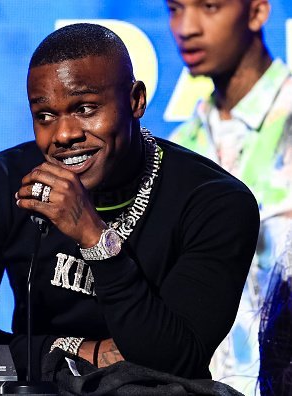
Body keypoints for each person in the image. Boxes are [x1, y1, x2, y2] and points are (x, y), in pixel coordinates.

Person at [0, 23, 259, 383]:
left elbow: (176, 362)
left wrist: (93, 236)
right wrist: (75, 351)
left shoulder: (216, 203)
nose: (63, 135)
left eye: (86, 108)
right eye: (44, 115)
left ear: (136, 100)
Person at [167, 0, 292, 392]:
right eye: (174, 9)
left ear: (257, 12)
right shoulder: (176, 148)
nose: (186, 27)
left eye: (209, 6)